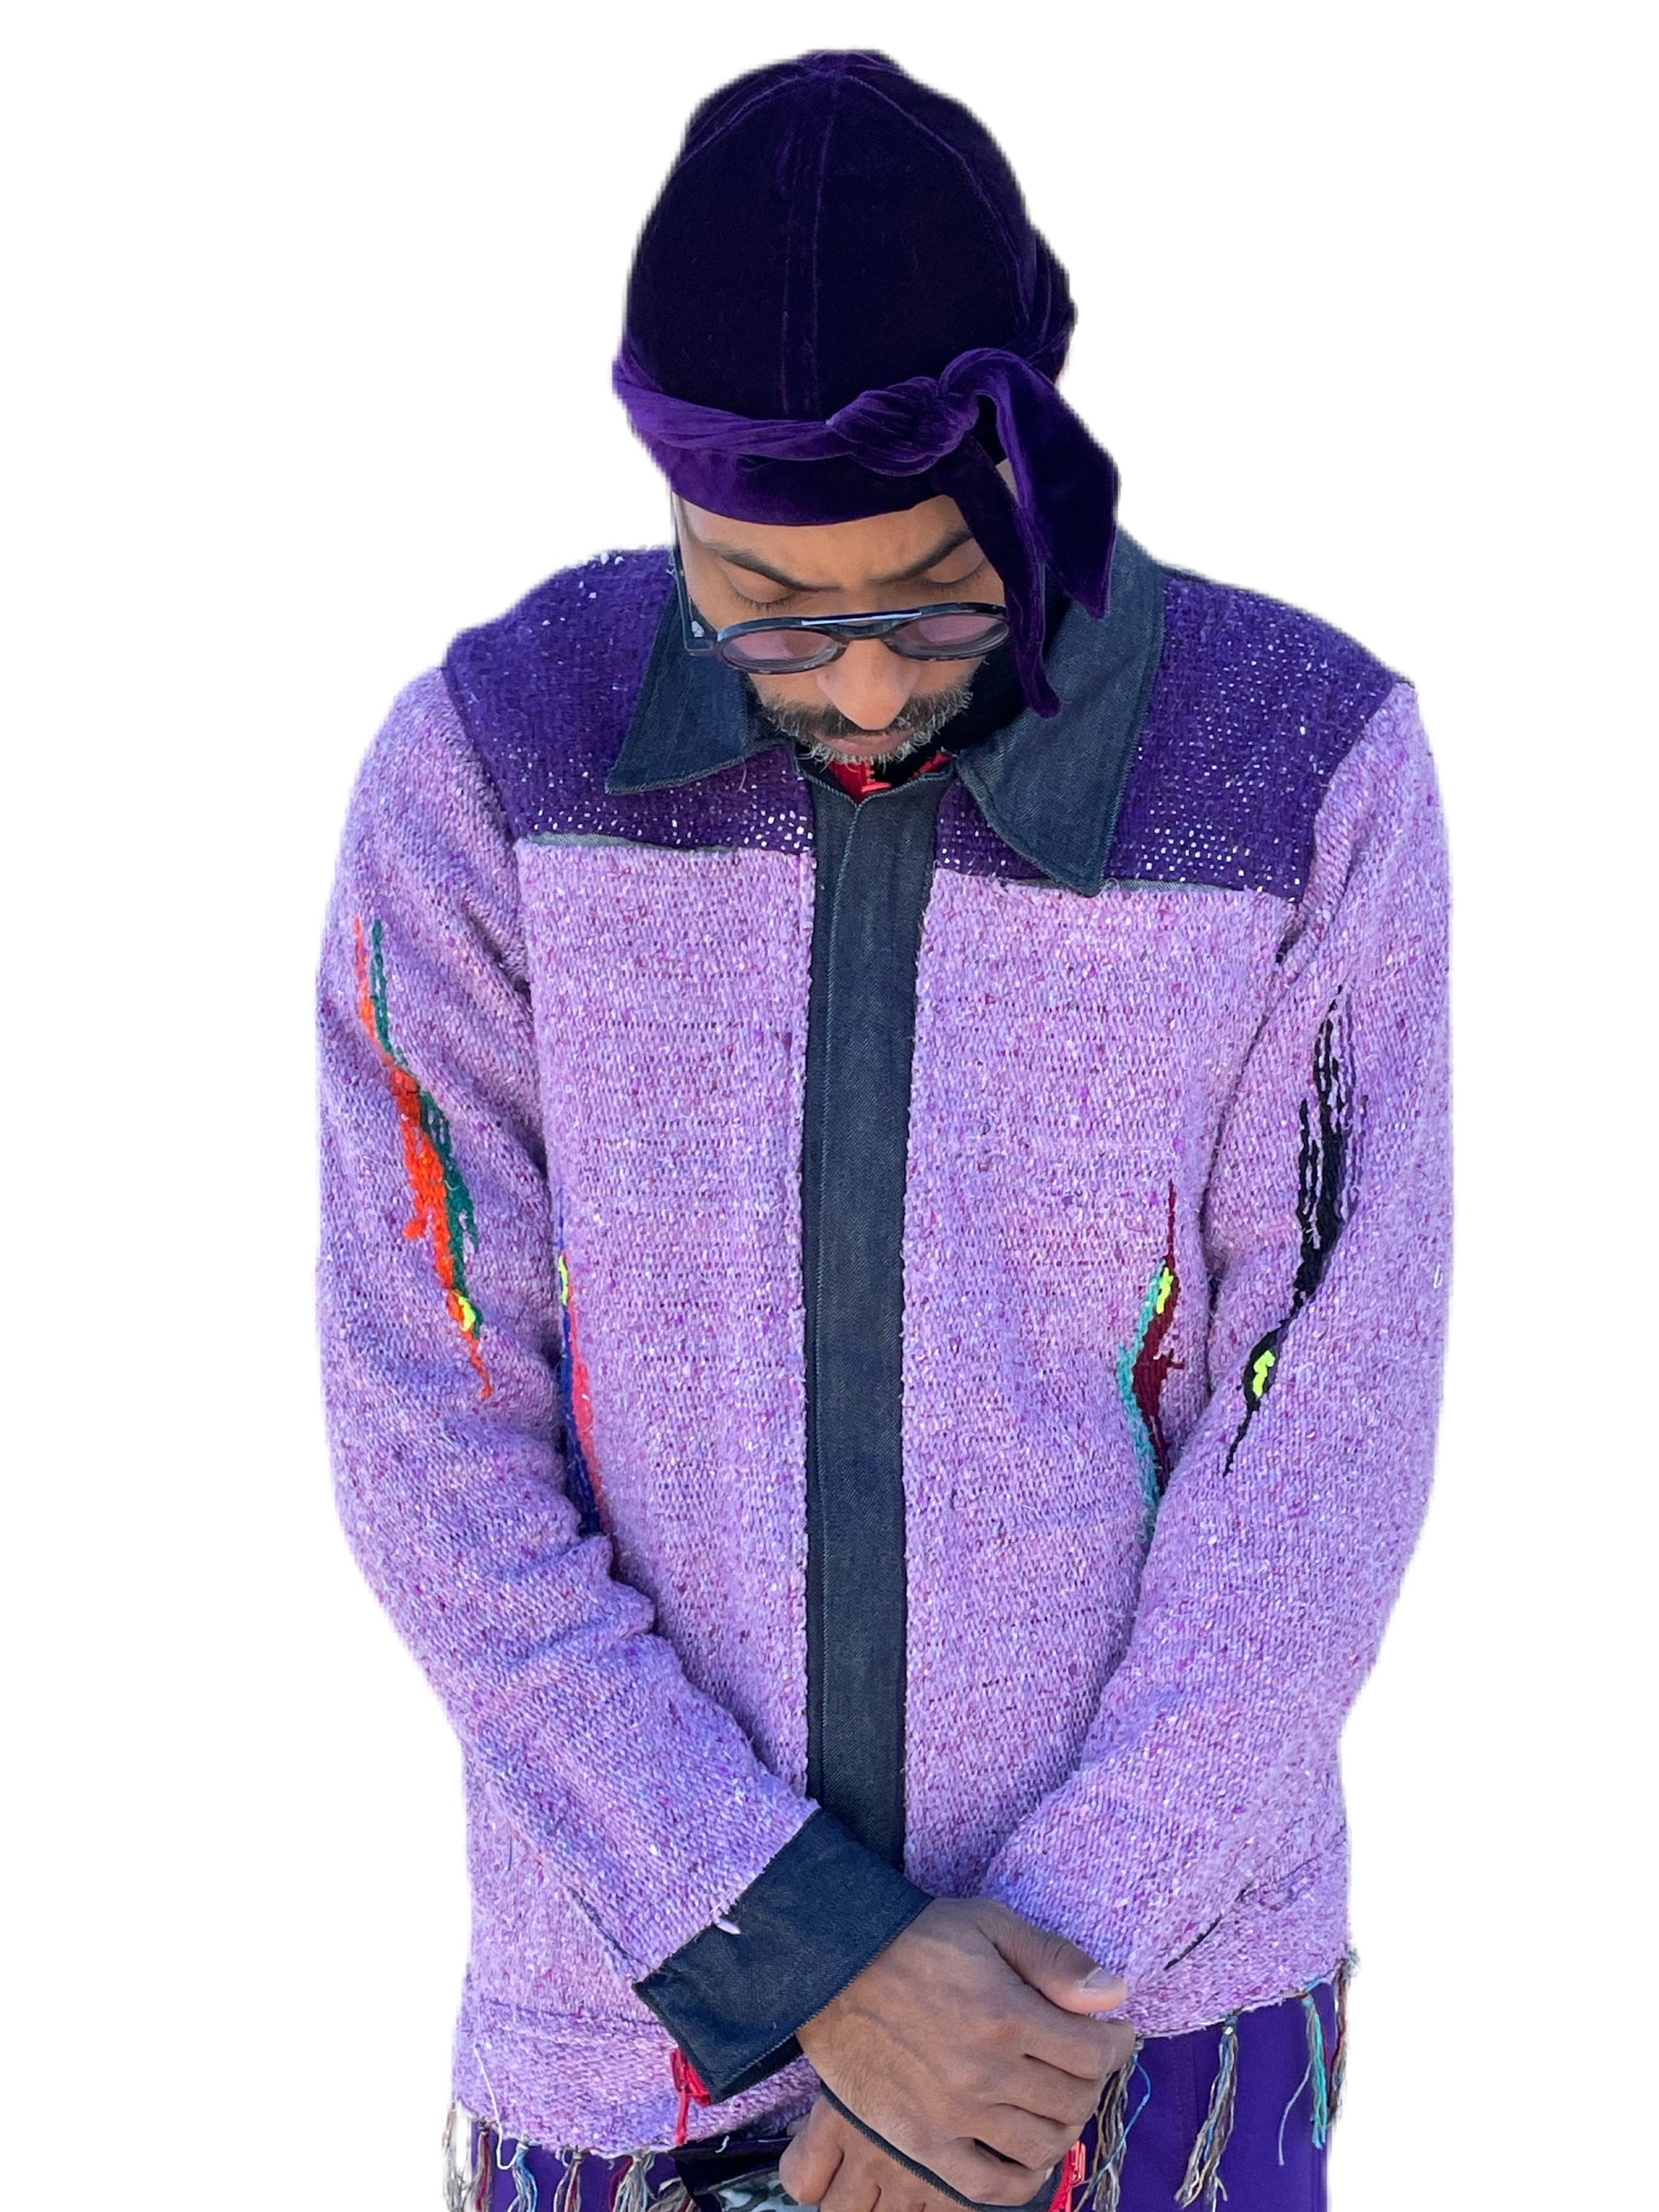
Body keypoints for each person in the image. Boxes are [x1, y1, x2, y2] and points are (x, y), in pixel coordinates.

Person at [316, 50, 1450, 2212]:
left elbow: (1323, 1439)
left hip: (1144, 2046)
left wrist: (1019, 2002)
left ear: (1031, 467)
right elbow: (428, 1437)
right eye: (765, 602)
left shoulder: (1303, 774)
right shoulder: (491, 770)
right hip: (635, 2048)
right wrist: (810, 1950)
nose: (855, 684)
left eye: (936, 594)